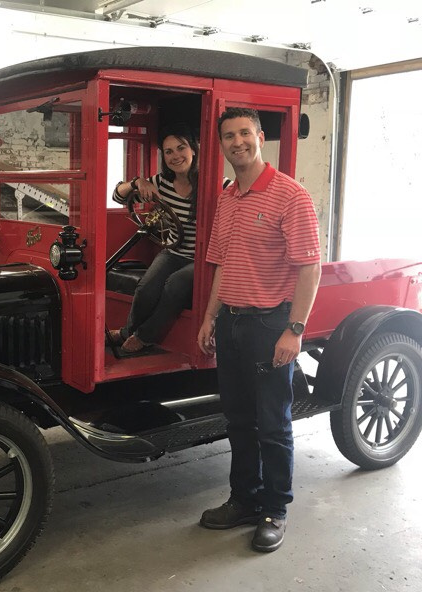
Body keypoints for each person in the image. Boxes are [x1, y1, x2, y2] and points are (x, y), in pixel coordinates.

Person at [197, 107, 321, 552]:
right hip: (231, 322)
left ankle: (275, 509)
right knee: (239, 422)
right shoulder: (227, 196)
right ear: (221, 144)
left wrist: (295, 330)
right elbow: (221, 265)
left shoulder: (290, 195)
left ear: (260, 136)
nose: (237, 142)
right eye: (228, 135)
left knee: (273, 424)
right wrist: (211, 317)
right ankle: (243, 500)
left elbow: (310, 267)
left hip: (271, 325)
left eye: (244, 133)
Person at [110, 123, 230, 353]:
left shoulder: (218, 183)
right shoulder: (161, 183)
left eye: (181, 148)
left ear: (193, 150)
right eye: (168, 152)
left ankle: (144, 336)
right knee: (145, 287)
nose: (176, 156)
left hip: (204, 259)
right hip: (174, 252)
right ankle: (127, 331)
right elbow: (117, 195)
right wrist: (138, 183)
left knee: (175, 284)